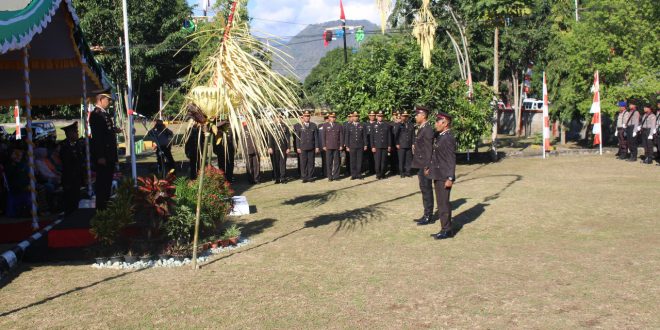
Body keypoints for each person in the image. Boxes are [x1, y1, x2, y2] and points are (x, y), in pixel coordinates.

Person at [422, 112, 457, 239]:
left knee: (443, 204)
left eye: (438, 122)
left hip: (444, 176)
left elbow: (450, 159)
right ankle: (445, 227)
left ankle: (447, 230)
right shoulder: (441, 136)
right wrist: (430, 169)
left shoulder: (448, 138)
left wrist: (450, 177)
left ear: (445, 123)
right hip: (438, 174)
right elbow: (438, 157)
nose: (436, 124)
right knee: (441, 203)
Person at [89, 91, 119, 210]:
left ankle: (105, 207)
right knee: (102, 183)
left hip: (109, 154)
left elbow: (106, 132)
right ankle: (101, 209)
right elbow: (98, 138)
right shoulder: (96, 114)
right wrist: (100, 156)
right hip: (103, 155)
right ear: (101, 99)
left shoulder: (104, 114)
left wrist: (114, 130)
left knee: (107, 182)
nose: (109, 102)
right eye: (108, 99)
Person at [412, 106, 435, 224]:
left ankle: (428, 215)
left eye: (417, 115)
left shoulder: (427, 129)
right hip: (420, 163)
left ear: (423, 116)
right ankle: (426, 213)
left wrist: (427, 166)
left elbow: (428, 149)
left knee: (427, 189)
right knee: (423, 189)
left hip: (424, 165)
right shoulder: (422, 128)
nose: (416, 117)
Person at [59, 122, 84, 214]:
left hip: (77, 176)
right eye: (75, 132)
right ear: (69, 134)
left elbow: (81, 160)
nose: (77, 134)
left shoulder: (77, 145)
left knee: (76, 199)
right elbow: (67, 164)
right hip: (69, 177)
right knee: (69, 200)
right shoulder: (64, 146)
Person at [293, 110, 320, 183]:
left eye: (308, 116)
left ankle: (310, 176)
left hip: (311, 147)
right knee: (303, 162)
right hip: (303, 147)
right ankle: (304, 177)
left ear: (310, 117)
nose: (307, 117)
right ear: (303, 117)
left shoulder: (313, 125)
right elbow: (297, 138)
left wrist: (317, 147)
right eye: (305, 116)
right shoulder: (299, 126)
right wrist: (298, 147)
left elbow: (316, 137)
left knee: (311, 162)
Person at [5, 148, 31, 217]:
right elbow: (13, 176)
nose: (19, 156)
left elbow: (26, 176)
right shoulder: (10, 165)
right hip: (16, 186)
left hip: (24, 184)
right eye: (17, 155)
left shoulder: (23, 164)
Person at [344, 111, 368, 180]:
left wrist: (365, 145)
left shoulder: (362, 125)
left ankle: (359, 174)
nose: (355, 117)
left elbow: (364, 136)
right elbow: (347, 136)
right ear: (352, 117)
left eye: (357, 116)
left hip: (360, 145)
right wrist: (347, 146)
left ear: (358, 117)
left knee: (359, 160)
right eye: (354, 116)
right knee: (352, 160)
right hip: (352, 145)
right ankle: (353, 174)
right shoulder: (349, 125)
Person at [268, 115, 290, 184]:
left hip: (283, 148)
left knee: (282, 163)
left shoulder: (285, 126)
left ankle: (283, 178)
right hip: (275, 148)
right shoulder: (271, 127)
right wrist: (270, 147)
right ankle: (277, 178)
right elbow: (270, 138)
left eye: (280, 117)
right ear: (274, 118)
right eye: (277, 117)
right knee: (276, 163)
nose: (279, 118)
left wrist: (288, 147)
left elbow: (288, 138)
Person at [322, 112, 344, 181]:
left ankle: (336, 176)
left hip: (336, 146)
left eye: (334, 117)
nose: (333, 118)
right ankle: (330, 177)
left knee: (337, 161)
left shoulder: (339, 125)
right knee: (329, 162)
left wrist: (341, 145)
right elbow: (323, 136)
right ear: (329, 118)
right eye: (331, 117)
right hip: (328, 146)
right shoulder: (325, 125)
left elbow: (341, 136)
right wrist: (324, 145)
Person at [370, 110, 391, 179]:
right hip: (377, 146)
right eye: (379, 116)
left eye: (381, 116)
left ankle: (383, 174)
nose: (380, 118)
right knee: (377, 161)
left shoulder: (386, 125)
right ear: (376, 117)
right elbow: (372, 136)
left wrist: (389, 145)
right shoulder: (373, 125)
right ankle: (378, 174)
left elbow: (389, 136)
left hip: (384, 146)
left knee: (383, 161)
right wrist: (372, 146)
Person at [396, 111, 414, 178]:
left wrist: (413, 143)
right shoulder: (399, 124)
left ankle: (408, 172)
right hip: (401, 144)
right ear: (401, 116)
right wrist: (397, 143)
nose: (405, 117)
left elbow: (413, 135)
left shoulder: (411, 124)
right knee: (401, 159)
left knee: (408, 159)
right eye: (403, 116)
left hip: (409, 144)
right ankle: (402, 172)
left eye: (406, 116)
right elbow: (396, 134)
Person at [364, 111, 377, 175]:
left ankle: (376, 170)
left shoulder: (377, 124)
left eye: (373, 115)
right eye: (371, 115)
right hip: (369, 143)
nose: (372, 117)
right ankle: (370, 170)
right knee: (369, 158)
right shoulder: (366, 124)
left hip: (376, 144)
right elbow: (364, 135)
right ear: (369, 116)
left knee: (376, 158)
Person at [388, 111, 401, 176]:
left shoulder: (401, 124)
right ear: (393, 116)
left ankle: (399, 170)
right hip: (392, 143)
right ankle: (392, 170)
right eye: (395, 115)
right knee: (392, 157)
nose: (396, 117)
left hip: (399, 143)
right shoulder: (390, 124)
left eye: (397, 115)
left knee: (399, 157)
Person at [318, 112, 329, 178]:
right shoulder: (320, 126)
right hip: (322, 146)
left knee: (329, 160)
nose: (327, 120)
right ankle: (324, 172)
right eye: (326, 118)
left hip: (330, 145)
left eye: (328, 118)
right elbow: (319, 137)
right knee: (324, 160)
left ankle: (329, 172)